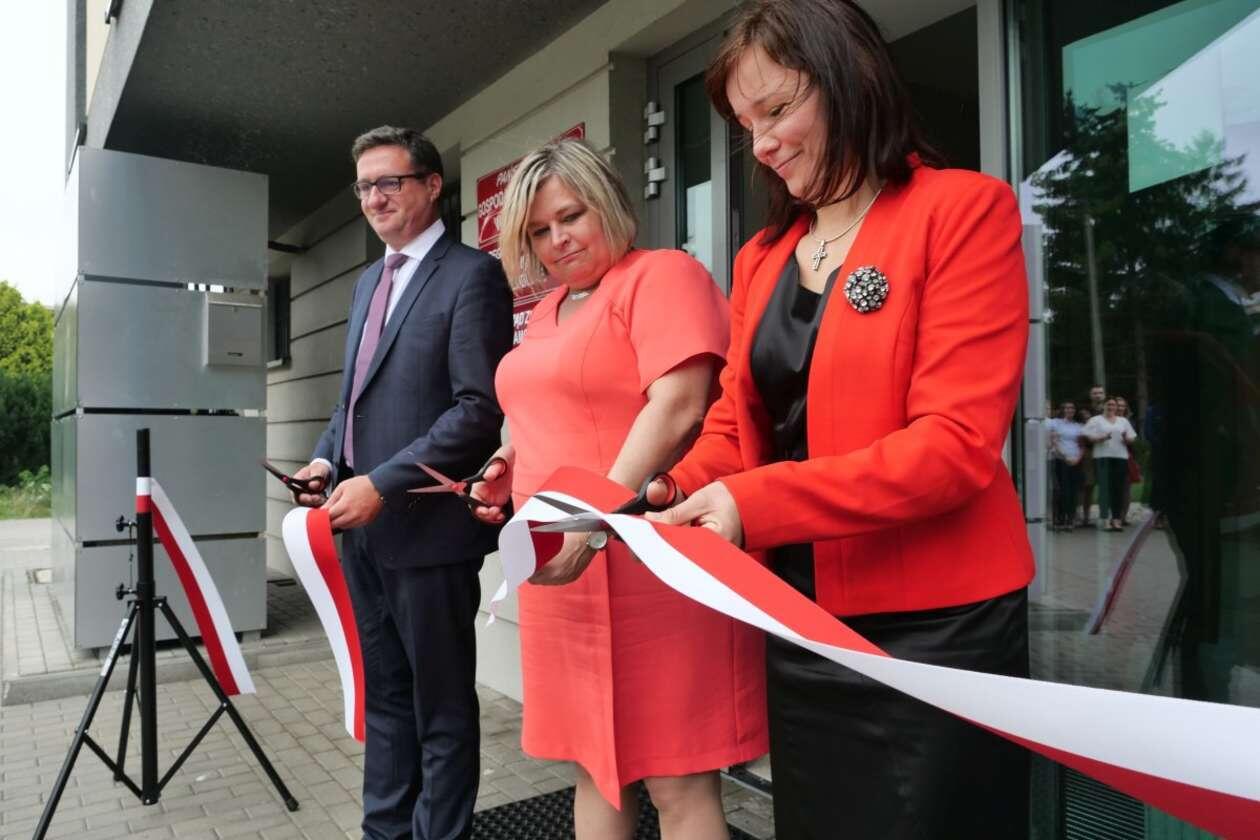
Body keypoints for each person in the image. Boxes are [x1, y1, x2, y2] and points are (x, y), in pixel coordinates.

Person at [646, 1, 1035, 836]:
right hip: (803, 619)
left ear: (850, 81)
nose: (761, 143)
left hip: (939, 628)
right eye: (745, 124)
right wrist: (664, 490)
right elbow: (735, 429)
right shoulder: (761, 258)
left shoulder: (962, 210)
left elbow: (953, 448)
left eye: (777, 109)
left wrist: (752, 505)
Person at [470, 139, 767, 840]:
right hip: (563, 567)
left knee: (676, 776)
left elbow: (680, 405)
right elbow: (556, 409)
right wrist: (507, 460)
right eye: (538, 231)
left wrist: (590, 514)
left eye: (571, 216)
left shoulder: (662, 275)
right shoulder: (549, 310)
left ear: (608, 203)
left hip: (652, 560)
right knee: (592, 762)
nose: (558, 240)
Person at [292, 126, 512, 840]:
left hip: (428, 533)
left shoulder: (472, 275)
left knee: (440, 709)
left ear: (431, 185)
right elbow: (351, 403)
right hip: (360, 530)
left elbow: (477, 411)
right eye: (364, 187)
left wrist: (381, 483)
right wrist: (326, 462)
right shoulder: (367, 282)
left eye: (389, 182)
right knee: (386, 701)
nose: (374, 198)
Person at [1083, 398, 1138, 532]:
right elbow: (1087, 436)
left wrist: (1127, 439)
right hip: (1102, 457)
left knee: (1118, 488)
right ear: (1103, 406)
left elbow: (1132, 438)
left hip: (1120, 457)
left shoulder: (1123, 421)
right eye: (1108, 404)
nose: (1111, 407)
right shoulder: (1095, 420)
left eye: (1113, 405)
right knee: (1104, 488)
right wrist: (1100, 438)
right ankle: (1105, 520)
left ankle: (1116, 519)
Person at [1047, 401, 1085, 530]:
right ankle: (1060, 517)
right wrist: (1065, 457)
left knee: (1073, 490)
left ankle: (1071, 518)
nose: (1070, 410)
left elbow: (1082, 445)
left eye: (1072, 408)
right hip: (1061, 460)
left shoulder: (1079, 426)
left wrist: (1077, 459)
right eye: (1067, 408)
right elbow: (1054, 441)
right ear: (1063, 410)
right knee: (1062, 490)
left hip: (1076, 461)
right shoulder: (1056, 423)